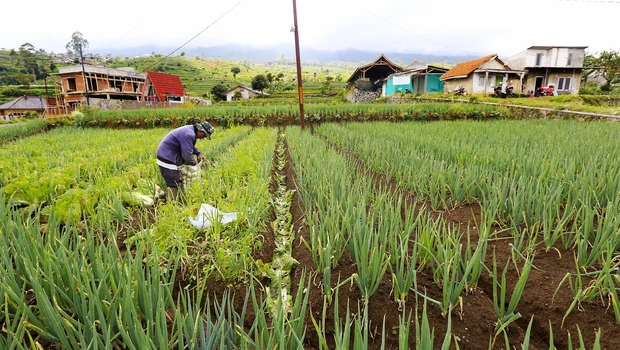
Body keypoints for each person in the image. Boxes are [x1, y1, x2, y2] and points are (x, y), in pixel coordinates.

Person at [156, 121, 214, 201]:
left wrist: (198, 154)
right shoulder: (188, 134)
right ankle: (173, 204)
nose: (203, 138)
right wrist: (194, 162)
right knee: (174, 182)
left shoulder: (190, 131)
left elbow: (189, 146)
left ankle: (180, 200)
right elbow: (187, 155)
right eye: (204, 135)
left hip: (169, 156)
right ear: (201, 131)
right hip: (167, 158)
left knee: (178, 180)